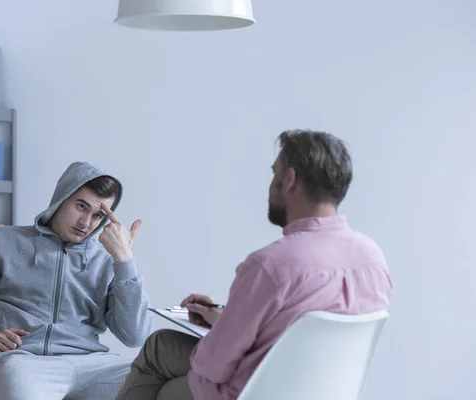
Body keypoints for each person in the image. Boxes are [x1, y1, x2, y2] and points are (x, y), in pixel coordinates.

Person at [115, 129, 393, 400]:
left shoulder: (271, 266)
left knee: (159, 349)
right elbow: (301, 337)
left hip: (251, 393)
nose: (271, 183)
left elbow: (213, 365)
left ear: (291, 180)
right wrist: (228, 320)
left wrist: (224, 334)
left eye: (275, 172)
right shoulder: (373, 259)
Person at [0, 161, 154, 400]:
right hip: (24, 362)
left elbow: (134, 335)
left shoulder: (107, 260)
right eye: (81, 206)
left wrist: (124, 259)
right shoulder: (3, 242)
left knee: (159, 381)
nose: (85, 223)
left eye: (98, 215)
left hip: (92, 364)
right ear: (61, 199)